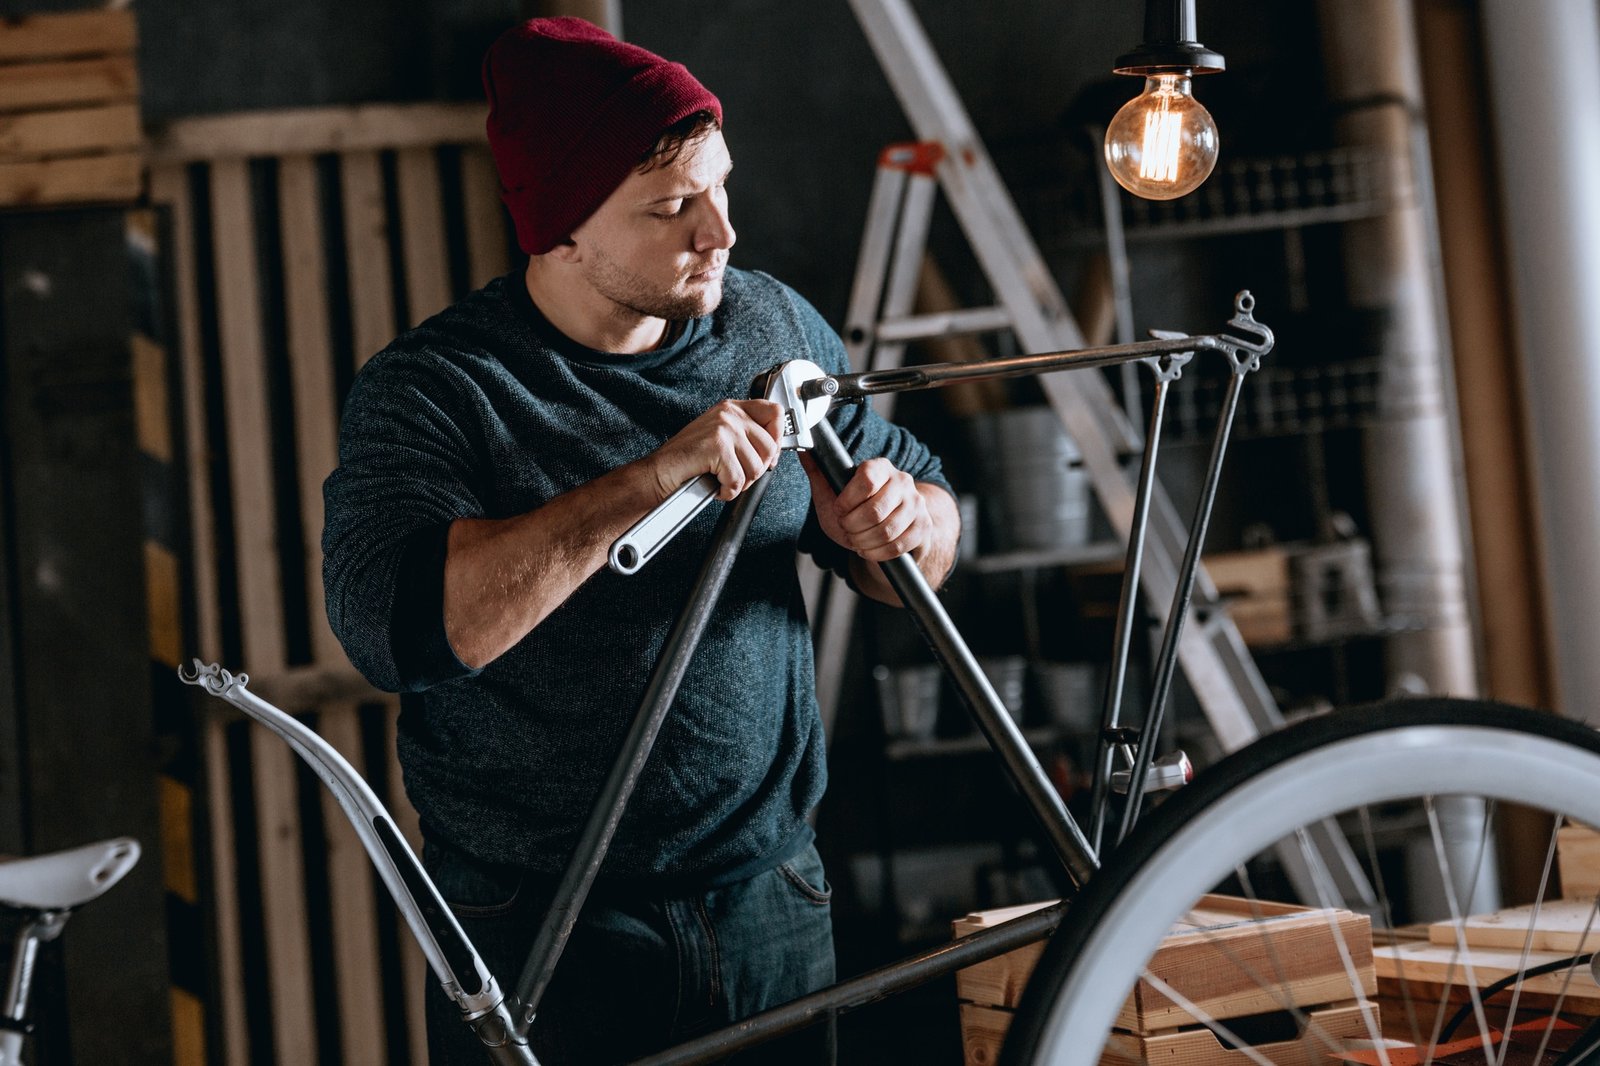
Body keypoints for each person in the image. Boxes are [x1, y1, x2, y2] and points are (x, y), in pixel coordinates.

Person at [322, 16, 960, 1065]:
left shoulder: (769, 328)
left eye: (721, 188)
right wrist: (655, 477)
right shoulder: (438, 389)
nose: (721, 232)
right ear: (562, 230)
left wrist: (901, 525)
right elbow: (402, 632)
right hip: (541, 926)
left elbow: (921, 529)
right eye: (672, 208)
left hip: (769, 894)